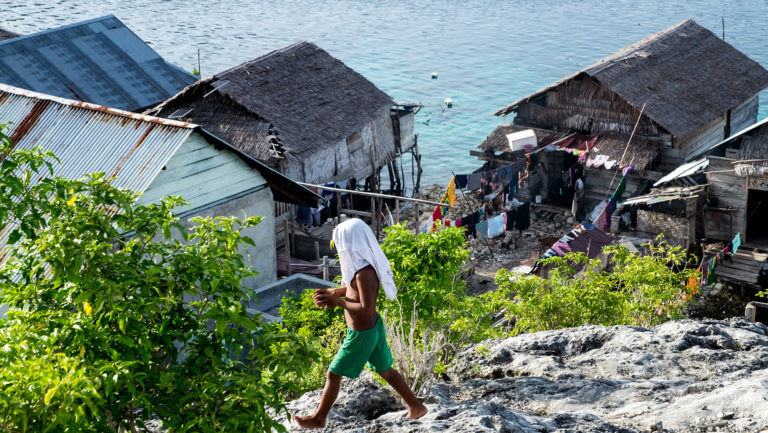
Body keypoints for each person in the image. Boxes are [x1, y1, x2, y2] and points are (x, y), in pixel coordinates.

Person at [292, 219, 427, 429]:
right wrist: (334, 293)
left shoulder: (365, 274)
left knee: (333, 373)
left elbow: (366, 308)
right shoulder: (360, 270)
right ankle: (416, 407)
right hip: (372, 328)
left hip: (362, 334)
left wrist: (338, 302)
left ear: (349, 245)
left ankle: (319, 418)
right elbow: (351, 290)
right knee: (386, 370)